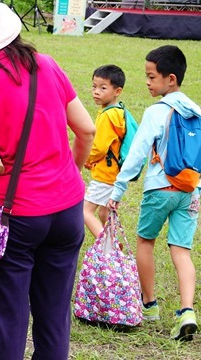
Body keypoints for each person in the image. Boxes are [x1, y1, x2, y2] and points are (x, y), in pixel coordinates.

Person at [0, 0, 95, 358]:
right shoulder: (47, 64)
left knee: (9, 320)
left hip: (14, 217)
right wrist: (63, 178)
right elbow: (86, 130)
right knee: (54, 318)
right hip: (68, 208)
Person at [107, 45, 200, 341]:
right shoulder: (197, 111)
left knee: (145, 242)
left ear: (170, 79)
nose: (147, 82)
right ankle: (187, 310)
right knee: (181, 250)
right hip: (191, 191)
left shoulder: (156, 112)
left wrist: (118, 189)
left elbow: (135, 155)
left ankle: (149, 305)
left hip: (160, 188)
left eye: (151, 77)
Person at [83, 64, 127, 238]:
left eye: (103, 88)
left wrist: (88, 159)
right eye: (94, 87)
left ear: (117, 91)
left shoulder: (107, 115)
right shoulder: (118, 111)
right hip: (115, 173)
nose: (96, 92)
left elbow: (99, 147)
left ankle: (109, 250)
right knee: (104, 213)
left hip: (105, 174)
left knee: (85, 211)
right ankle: (115, 244)